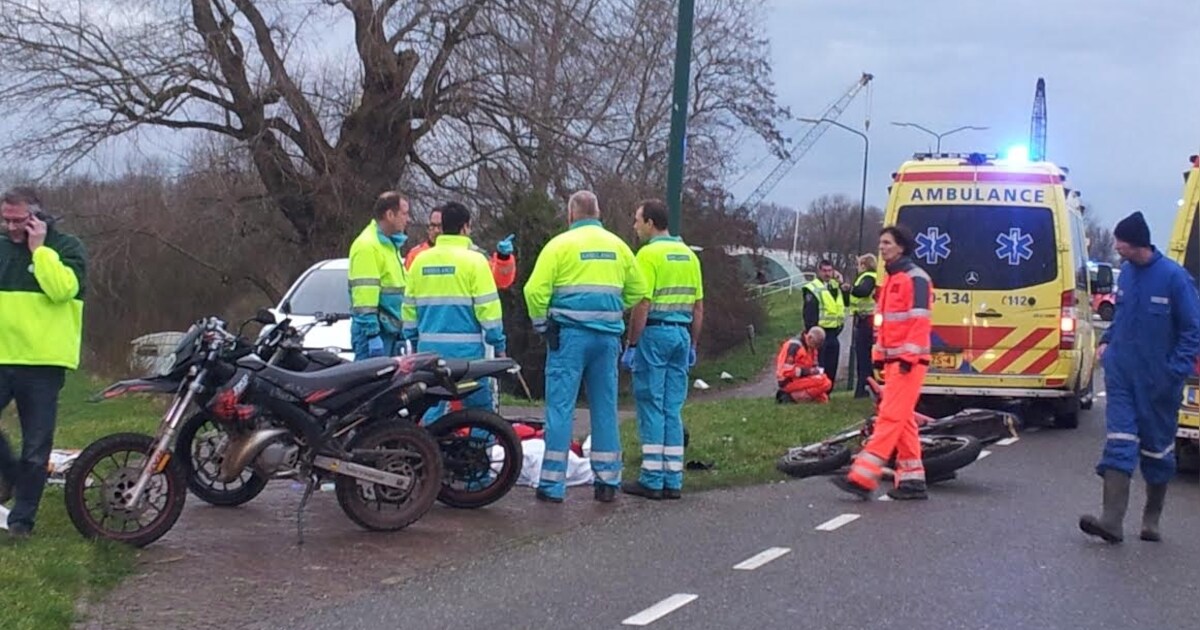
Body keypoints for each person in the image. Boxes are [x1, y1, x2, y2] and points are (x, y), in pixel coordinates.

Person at [1080, 211, 1200, 544]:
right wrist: (1107, 342)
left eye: (1120, 242)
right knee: (1119, 442)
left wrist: (1174, 371)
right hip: (1122, 376)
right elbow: (1121, 317)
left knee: (1157, 452)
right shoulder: (1128, 276)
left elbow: (1193, 330)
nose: (1116, 248)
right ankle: (1111, 521)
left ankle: (1151, 518)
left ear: (1136, 243)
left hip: (1159, 383)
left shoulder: (1175, 279)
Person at [524, 190, 648, 503]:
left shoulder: (560, 246)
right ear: (599, 212)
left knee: (560, 408)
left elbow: (534, 291)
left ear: (571, 215)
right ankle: (607, 481)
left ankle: (552, 485)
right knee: (605, 408)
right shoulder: (618, 246)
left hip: (569, 337)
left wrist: (542, 324)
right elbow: (639, 290)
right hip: (607, 339)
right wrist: (612, 309)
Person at [0, 187, 87, 537]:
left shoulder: (67, 249)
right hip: (3, 356)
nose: (9, 227)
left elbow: (62, 290)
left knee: (36, 447)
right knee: (25, 457)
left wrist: (40, 251)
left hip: (43, 365)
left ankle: (22, 522)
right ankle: (11, 474)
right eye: (4, 219)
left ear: (36, 218)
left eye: (17, 220)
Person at [833, 225, 933, 501]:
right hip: (894, 361)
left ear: (901, 247)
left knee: (890, 417)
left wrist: (907, 359)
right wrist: (879, 355)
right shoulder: (891, 279)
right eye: (881, 243)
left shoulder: (915, 279)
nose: (882, 247)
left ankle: (863, 476)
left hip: (907, 362)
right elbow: (885, 324)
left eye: (887, 243)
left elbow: (919, 322)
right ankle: (913, 481)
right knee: (903, 420)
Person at [620, 199, 704, 500]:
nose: (635, 226)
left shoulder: (648, 255)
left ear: (651, 223)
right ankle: (673, 478)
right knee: (672, 408)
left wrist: (631, 344)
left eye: (637, 220)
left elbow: (643, 302)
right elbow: (698, 306)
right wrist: (693, 343)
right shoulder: (689, 256)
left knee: (651, 405)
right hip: (682, 336)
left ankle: (651, 478)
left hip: (654, 334)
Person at [402, 201, 507, 423]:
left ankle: (425, 453)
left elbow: (408, 310)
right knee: (482, 413)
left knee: (431, 406)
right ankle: (480, 453)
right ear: (465, 227)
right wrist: (498, 345)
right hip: (466, 357)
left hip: (428, 354)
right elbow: (489, 311)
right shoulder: (475, 261)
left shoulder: (420, 261)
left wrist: (412, 340)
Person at [348, 191, 410, 361]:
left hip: (388, 331)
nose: (408, 219)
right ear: (390, 215)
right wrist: (372, 334)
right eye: (404, 213)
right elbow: (364, 299)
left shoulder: (389, 245)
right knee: (369, 386)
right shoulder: (368, 246)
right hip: (375, 334)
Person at [405, 205, 518, 290]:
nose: (436, 230)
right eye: (432, 225)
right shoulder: (416, 255)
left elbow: (498, 281)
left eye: (440, 226)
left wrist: (504, 258)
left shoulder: (475, 254)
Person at [802, 259, 849, 391]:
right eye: (824, 271)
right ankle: (818, 389)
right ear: (819, 271)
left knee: (832, 364)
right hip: (819, 333)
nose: (827, 274)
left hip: (834, 332)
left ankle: (828, 389)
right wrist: (811, 333)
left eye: (830, 270)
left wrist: (843, 284)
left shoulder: (835, 286)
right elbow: (809, 313)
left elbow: (846, 303)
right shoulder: (813, 288)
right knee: (819, 364)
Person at [774, 327, 831, 404]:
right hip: (788, 381)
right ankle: (790, 397)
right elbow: (785, 371)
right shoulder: (794, 346)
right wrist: (809, 371)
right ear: (810, 338)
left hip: (801, 379)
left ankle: (802, 397)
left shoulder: (811, 348)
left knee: (823, 397)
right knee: (825, 382)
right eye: (816, 344)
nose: (817, 347)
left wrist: (815, 371)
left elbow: (813, 365)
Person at [849, 254, 879, 398]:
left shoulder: (868, 277)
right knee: (866, 357)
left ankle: (862, 389)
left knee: (863, 357)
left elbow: (863, 291)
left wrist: (850, 288)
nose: (857, 267)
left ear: (864, 265)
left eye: (859, 264)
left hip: (866, 320)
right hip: (867, 320)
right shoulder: (873, 276)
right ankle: (867, 387)